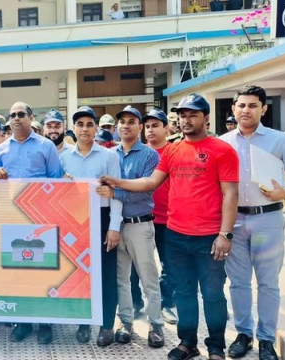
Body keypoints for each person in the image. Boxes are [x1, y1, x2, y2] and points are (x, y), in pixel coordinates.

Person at [99, 93, 238, 360]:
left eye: (192, 114)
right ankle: (187, 343)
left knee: (211, 293)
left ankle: (216, 346)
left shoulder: (222, 150)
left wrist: (225, 234)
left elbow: (230, 193)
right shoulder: (173, 151)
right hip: (176, 234)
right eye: (182, 115)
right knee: (183, 292)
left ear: (206, 118)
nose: (186, 120)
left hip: (210, 236)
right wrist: (117, 183)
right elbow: (150, 183)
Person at [220, 85, 285, 360]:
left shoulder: (280, 140)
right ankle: (244, 334)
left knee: (268, 283)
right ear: (233, 109)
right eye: (241, 105)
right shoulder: (223, 143)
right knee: (238, 283)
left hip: (268, 219)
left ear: (263, 109)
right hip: (234, 221)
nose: (246, 110)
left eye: (252, 105)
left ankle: (266, 340)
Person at [0, 101, 62, 344]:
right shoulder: (0, 150)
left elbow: (57, 183)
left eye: (21, 114)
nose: (17, 118)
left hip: (41, 220)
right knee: (17, 273)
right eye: (12, 115)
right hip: (13, 220)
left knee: (43, 273)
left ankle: (45, 323)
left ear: (31, 117)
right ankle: (22, 322)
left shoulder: (47, 146)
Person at [98, 105, 164, 348]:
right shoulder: (109, 155)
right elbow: (101, 188)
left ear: (140, 127)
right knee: (120, 278)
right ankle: (125, 322)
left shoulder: (149, 156)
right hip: (114, 226)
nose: (125, 125)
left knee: (148, 278)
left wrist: (114, 192)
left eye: (131, 121)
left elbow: (145, 190)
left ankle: (156, 325)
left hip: (139, 224)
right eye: (122, 121)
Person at [62, 106, 122, 347]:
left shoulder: (109, 156)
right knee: (79, 274)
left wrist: (114, 226)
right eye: (80, 124)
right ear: (74, 129)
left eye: (89, 124)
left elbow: (116, 193)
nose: (85, 129)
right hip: (74, 220)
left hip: (102, 217)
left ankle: (106, 325)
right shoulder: (63, 157)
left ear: (96, 128)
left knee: (106, 275)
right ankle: (83, 321)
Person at [141, 108, 178, 325]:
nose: (151, 130)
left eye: (155, 125)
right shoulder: (140, 152)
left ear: (166, 128)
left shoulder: (176, 151)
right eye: (147, 126)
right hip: (143, 218)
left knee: (169, 265)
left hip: (169, 219)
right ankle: (140, 302)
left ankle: (167, 304)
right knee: (142, 265)